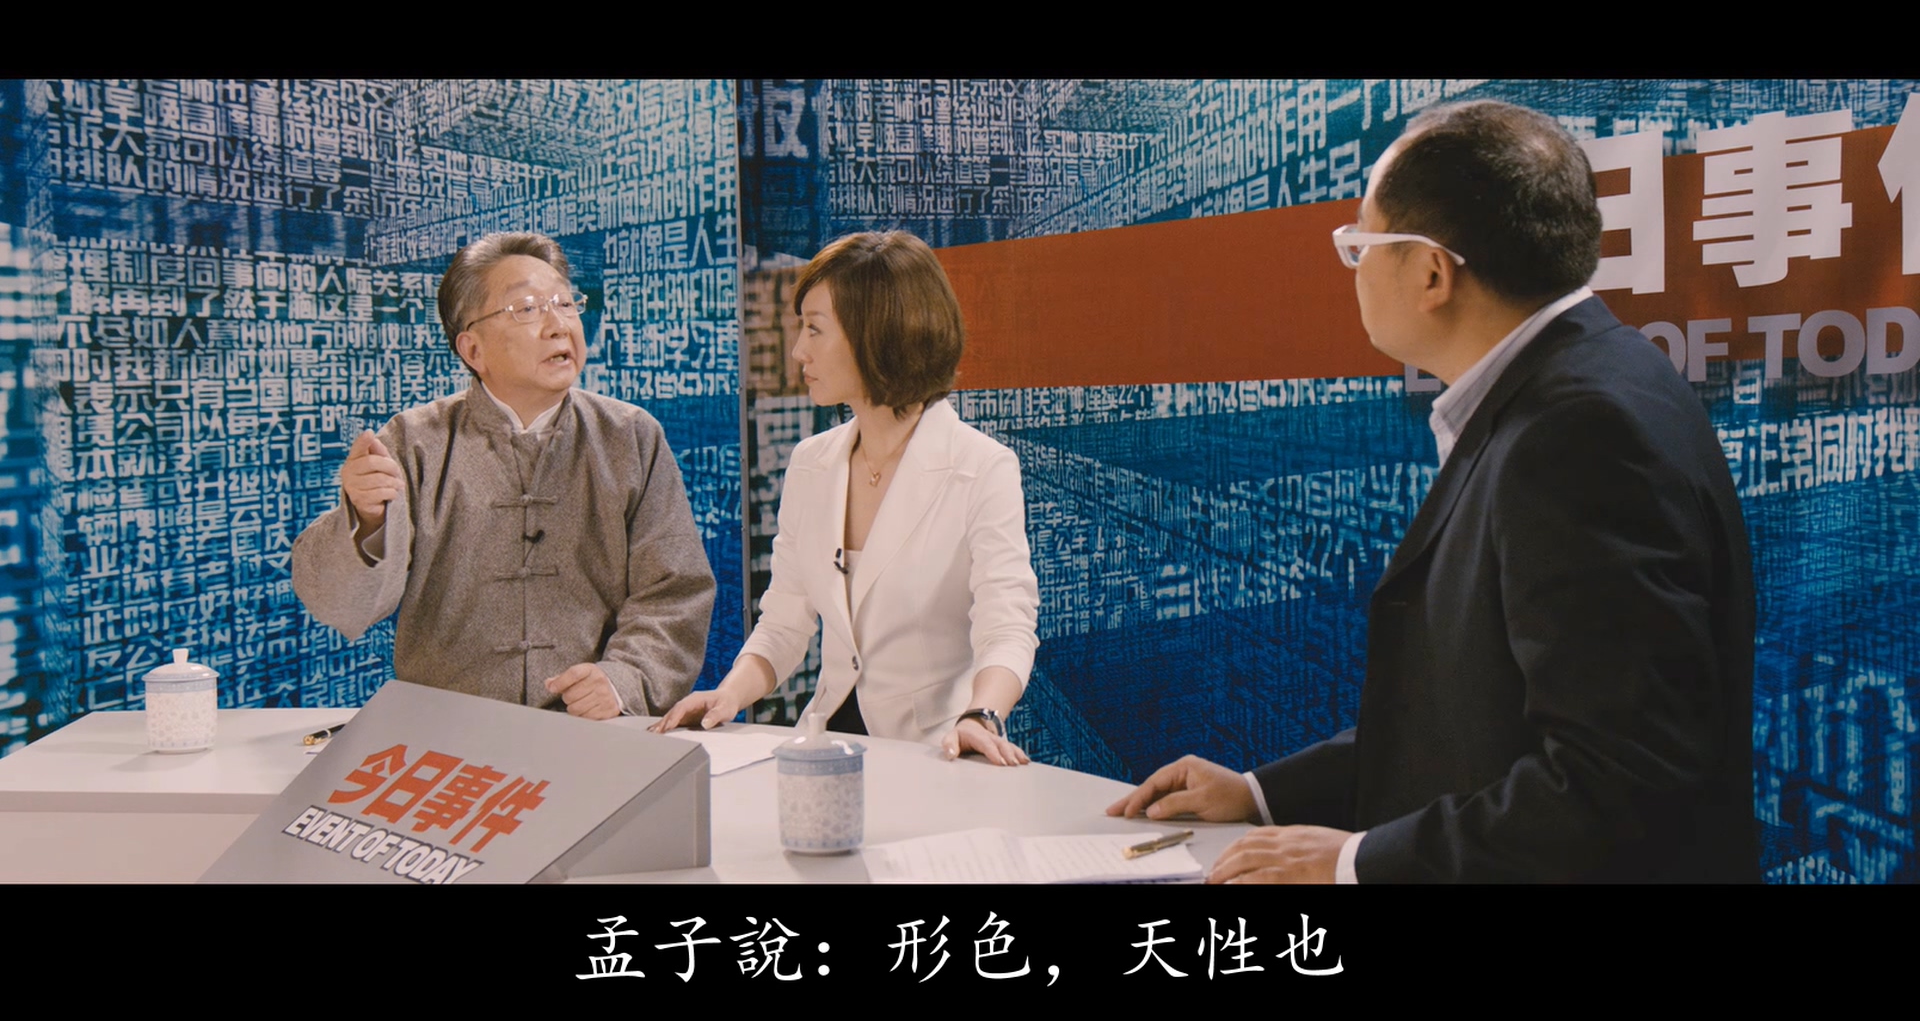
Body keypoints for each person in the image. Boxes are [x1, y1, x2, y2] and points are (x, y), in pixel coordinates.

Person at [1109, 100, 1758, 882]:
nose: (1353, 272)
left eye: (1360, 247)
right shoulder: (1584, 379)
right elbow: (1477, 719)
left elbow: (1616, 780)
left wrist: (1356, 862)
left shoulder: (1580, 433)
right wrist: (1261, 794)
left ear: (1430, 272)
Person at [291, 231, 715, 719]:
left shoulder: (630, 436)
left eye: (565, 304)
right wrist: (366, 520)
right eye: (528, 308)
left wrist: (625, 679)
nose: (559, 326)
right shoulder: (414, 441)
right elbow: (342, 605)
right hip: (447, 731)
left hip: (591, 730)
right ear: (473, 350)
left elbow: (674, 591)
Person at [654, 231, 1039, 764]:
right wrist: (730, 694)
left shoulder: (981, 468)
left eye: (814, 329)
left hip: (938, 751)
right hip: (831, 744)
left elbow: (1007, 624)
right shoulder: (811, 463)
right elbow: (785, 620)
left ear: (876, 334)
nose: (799, 350)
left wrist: (983, 714)